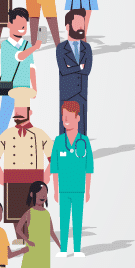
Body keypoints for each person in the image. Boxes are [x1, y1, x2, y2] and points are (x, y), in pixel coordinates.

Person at [50, 100, 95, 255]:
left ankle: (77, 250)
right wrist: (55, 190)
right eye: (63, 117)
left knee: (77, 221)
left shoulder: (84, 141)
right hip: (63, 189)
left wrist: (87, 190)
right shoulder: (58, 141)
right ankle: (63, 250)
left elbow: (88, 168)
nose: (66, 120)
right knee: (63, 221)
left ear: (78, 118)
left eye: (69, 116)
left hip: (78, 189)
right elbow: (54, 169)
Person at [17, 179, 54, 268]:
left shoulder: (46, 214)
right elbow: (18, 229)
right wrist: (27, 240)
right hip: (33, 250)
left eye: (45, 192)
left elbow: (51, 232)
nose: (43, 195)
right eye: (40, 192)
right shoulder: (29, 213)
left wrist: (61, 245)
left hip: (44, 251)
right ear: (32, 194)